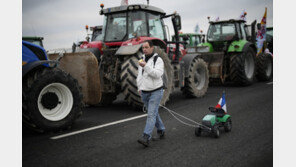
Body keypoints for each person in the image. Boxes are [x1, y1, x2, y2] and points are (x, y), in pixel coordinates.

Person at [137, 40, 165, 147]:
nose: (144, 49)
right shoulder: (141, 60)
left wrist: (146, 66)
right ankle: (161, 130)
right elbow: (139, 75)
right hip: (144, 92)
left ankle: (146, 136)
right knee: (153, 112)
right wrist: (139, 87)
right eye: (143, 47)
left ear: (152, 48)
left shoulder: (158, 60)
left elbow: (157, 74)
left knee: (151, 114)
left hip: (156, 91)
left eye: (146, 47)